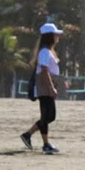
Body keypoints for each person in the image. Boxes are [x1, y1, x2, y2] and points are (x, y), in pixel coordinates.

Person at [20, 23, 64, 154]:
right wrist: (51, 87)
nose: (57, 37)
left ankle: (28, 135)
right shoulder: (44, 52)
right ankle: (45, 144)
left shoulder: (47, 51)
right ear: (50, 36)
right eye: (55, 35)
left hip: (46, 85)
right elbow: (44, 71)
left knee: (49, 116)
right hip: (44, 86)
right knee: (47, 116)